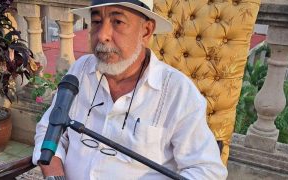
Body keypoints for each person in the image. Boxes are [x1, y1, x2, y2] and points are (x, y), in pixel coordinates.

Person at [33, 0, 228, 179]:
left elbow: (207, 171)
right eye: (97, 22)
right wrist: (54, 175)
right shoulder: (80, 69)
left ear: (146, 31)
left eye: (117, 22)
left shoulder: (178, 92)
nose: (102, 35)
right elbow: (49, 129)